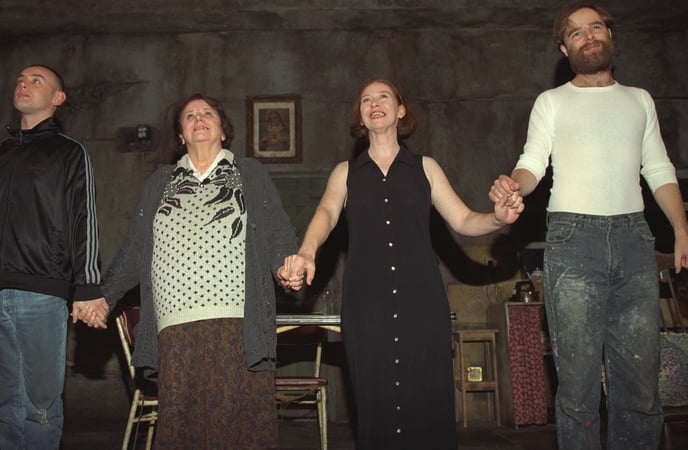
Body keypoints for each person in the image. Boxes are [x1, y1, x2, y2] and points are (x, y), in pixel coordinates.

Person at [283, 78, 524, 449]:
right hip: (366, 304)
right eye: (366, 99)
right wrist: (307, 251)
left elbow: (462, 220)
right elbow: (326, 214)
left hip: (421, 300)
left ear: (400, 111)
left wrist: (496, 218)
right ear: (361, 117)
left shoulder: (425, 167)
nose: (374, 103)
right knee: (375, 398)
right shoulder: (345, 173)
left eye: (383, 97)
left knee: (426, 396)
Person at [489, 4, 688, 449]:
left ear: (609, 36)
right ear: (565, 48)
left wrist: (682, 230)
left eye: (595, 26)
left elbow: (659, 169)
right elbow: (531, 163)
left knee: (639, 387)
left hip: (635, 241)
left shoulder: (639, 100)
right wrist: (512, 185)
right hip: (573, 244)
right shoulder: (552, 102)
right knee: (576, 389)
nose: (588, 35)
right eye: (576, 33)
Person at [101, 93, 299, 449]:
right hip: (176, 325)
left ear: (223, 130)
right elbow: (135, 248)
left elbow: (276, 232)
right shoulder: (160, 182)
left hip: (238, 320)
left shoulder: (248, 172)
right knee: (183, 427)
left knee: (242, 426)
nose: (199, 119)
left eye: (207, 113)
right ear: (180, 135)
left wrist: (286, 264)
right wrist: (104, 296)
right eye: (189, 116)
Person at [0, 64, 108, 449]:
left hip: (42, 293)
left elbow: (85, 219)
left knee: (40, 405)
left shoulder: (70, 153)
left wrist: (88, 287)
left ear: (58, 99)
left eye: (37, 80)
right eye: (21, 79)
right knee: (7, 405)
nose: (24, 83)